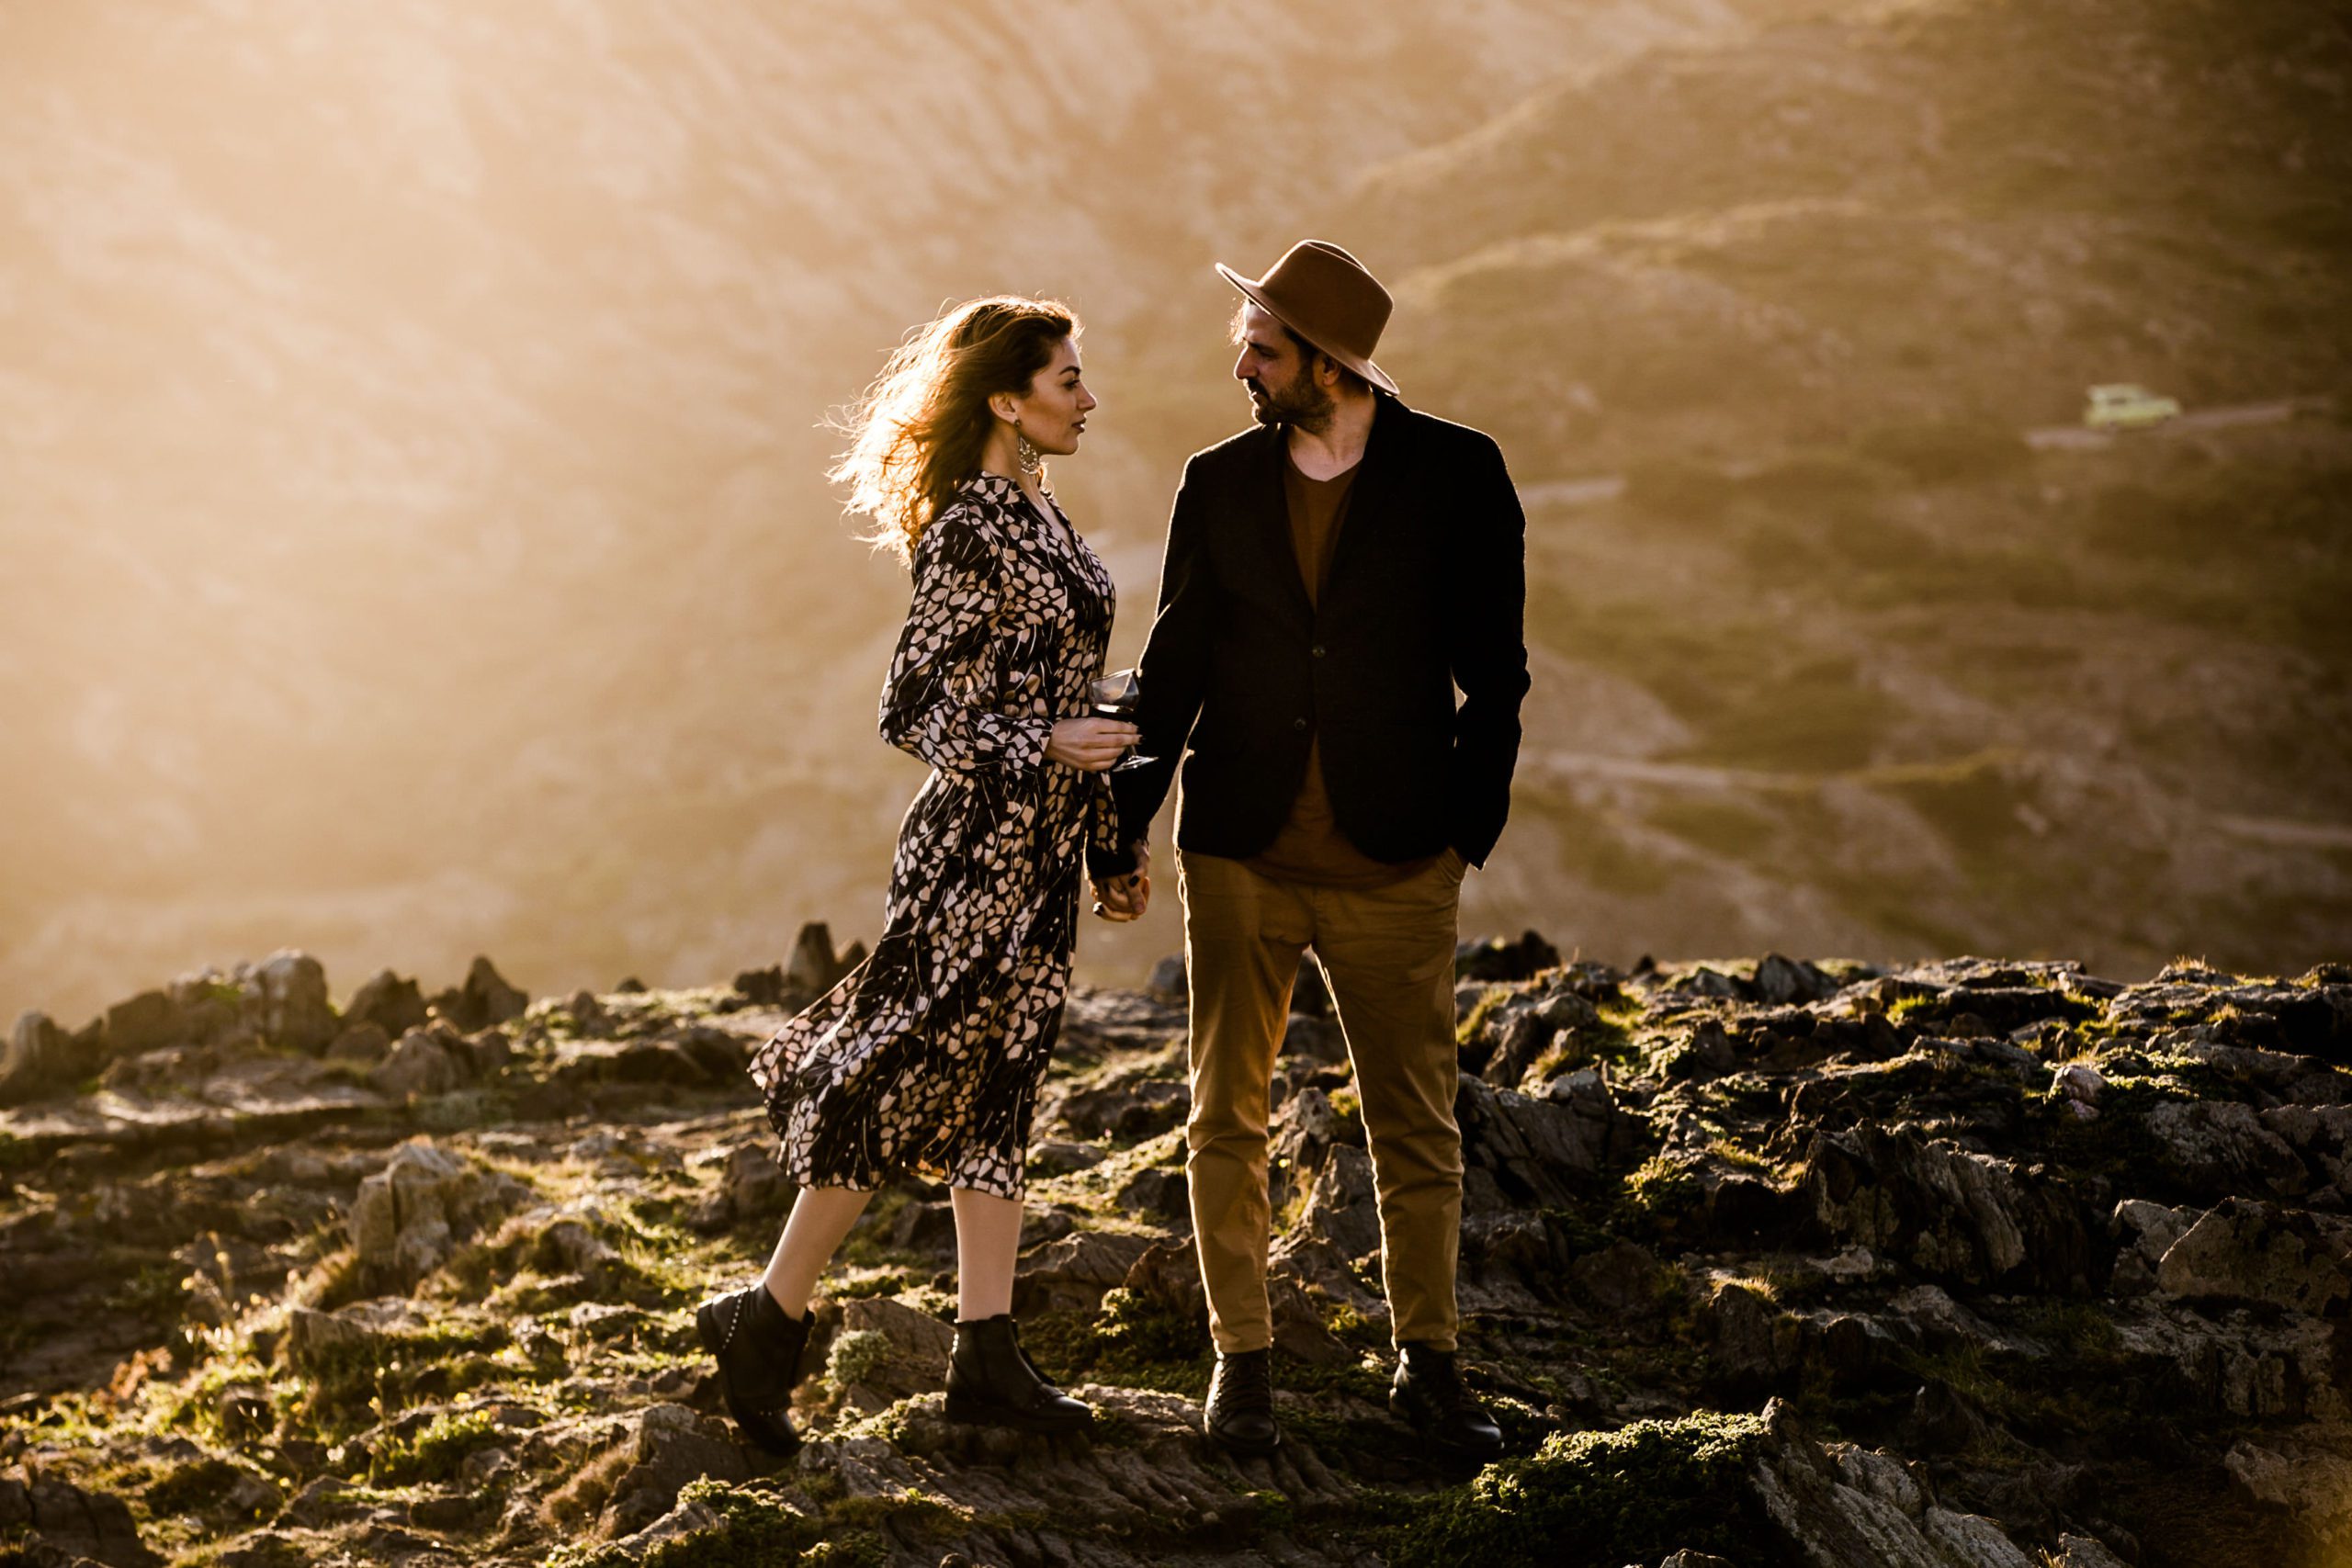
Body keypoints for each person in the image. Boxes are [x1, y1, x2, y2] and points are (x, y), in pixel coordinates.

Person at [1091, 240, 1528, 1461]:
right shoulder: (1217, 482)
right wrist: (1124, 821)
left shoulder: (1458, 473)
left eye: (1264, 346)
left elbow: (1496, 674)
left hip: (1400, 858)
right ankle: (1242, 1365)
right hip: (1237, 844)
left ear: (1329, 362)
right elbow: (1174, 665)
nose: (1242, 361)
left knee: (1417, 1123)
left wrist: (1461, 831)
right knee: (1225, 1114)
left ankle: (1429, 1367)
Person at [698, 296, 1144, 1452]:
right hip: (968, 857)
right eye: (1067, 381)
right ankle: (767, 1322)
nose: (1087, 401)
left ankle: (983, 1354)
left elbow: (1059, 698)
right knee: (894, 1078)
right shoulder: (967, 528)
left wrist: (1109, 843)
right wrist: (1045, 743)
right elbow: (912, 708)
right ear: (1007, 397)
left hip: (1039, 857)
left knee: (1003, 1088)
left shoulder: (1045, 520)